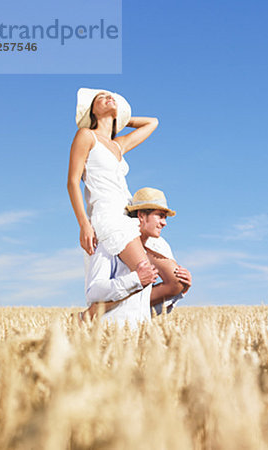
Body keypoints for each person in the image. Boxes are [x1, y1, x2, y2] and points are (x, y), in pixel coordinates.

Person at [67, 88, 158, 279]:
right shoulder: (86, 136)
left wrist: (121, 118)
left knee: (139, 281)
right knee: (144, 274)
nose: (109, 97)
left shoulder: (118, 145)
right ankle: (91, 312)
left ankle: (92, 311)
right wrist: (83, 223)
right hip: (106, 213)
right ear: (92, 111)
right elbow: (72, 182)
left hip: (128, 214)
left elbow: (152, 123)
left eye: (112, 97)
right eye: (101, 97)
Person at [81, 187, 192, 327]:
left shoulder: (152, 252)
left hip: (137, 335)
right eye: (160, 216)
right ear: (141, 215)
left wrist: (180, 289)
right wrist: (135, 280)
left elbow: (142, 306)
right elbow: (93, 291)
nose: (165, 222)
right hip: (108, 334)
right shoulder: (110, 244)